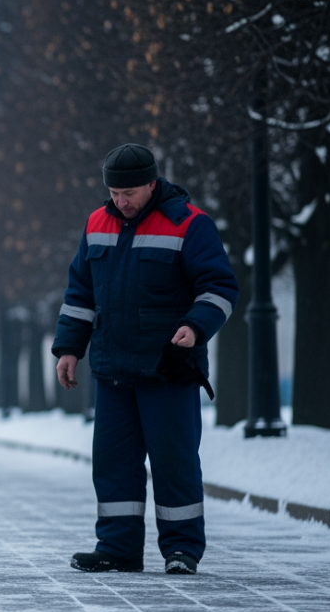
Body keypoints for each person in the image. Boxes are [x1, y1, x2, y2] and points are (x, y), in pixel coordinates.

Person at [52, 143, 238, 576]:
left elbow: (219, 287)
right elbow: (80, 293)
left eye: (129, 193)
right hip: (112, 370)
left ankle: (182, 550)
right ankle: (117, 548)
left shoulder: (190, 224)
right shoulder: (96, 224)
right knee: (113, 464)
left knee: (174, 463)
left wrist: (196, 326)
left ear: (152, 184)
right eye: (114, 193)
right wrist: (69, 348)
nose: (121, 201)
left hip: (168, 370)